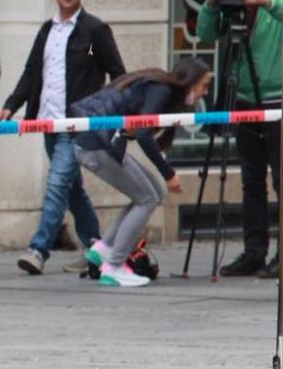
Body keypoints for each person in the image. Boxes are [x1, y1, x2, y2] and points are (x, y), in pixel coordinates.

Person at [0, 0, 126, 275]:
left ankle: (38, 249)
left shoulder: (93, 33)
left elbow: (115, 71)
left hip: (77, 124)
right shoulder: (47, 31)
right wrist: (11, 105)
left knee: (57, 184)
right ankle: (96, 246)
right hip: (47, 123)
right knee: (71, 189)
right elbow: (32, 71)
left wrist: (105, 110)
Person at [71, 60, 213, 288]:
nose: (205, 92)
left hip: (99, 144)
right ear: (191, 80)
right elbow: (145, 133)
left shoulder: (161, 88)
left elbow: (140, 129)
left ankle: (104, 248)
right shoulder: (163, 89)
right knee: (147, 198)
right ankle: (114, 266)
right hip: (96, 146)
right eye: (204, 85)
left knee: (153, 192)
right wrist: (169, 173)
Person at [197, 0, 283, 277]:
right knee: (251, 179)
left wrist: (265, 1)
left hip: (278, 98)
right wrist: (211, 2)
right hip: (244, 97)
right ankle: (254, 251)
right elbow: (207, 32)